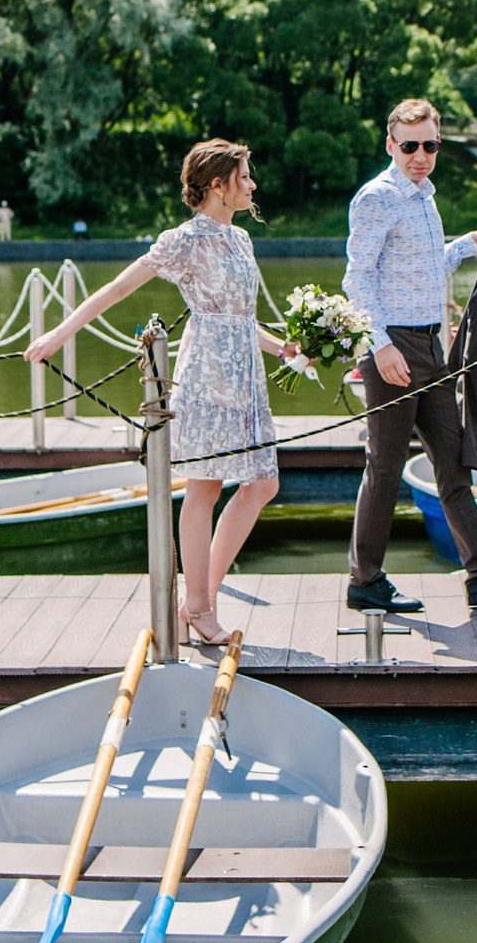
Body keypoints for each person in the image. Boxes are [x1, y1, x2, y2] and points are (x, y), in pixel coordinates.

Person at [26, 141, 299, 646]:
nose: (252, 184)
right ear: (217, 184)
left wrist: (280, 347)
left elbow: (240, 316)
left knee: (261, 484)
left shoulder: (242, 240)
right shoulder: (185, 240)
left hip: (246, 377)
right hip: (207, 374)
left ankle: (197, 601)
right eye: (244, 176)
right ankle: (198, 604)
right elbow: (118, 289)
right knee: (206, 486)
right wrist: (57, 335)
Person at [344, 100, 477, 614]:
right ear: (391, 145)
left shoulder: (424, 197)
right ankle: (364, 580)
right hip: (394, 348)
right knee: (385, 467)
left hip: (431, 347)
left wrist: (462, 246)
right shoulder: (377, 198)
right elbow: (357, 279)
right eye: (409, 146)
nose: (420, 155)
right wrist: (380, 345)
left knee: (453, 462)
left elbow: (425, 266)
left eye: (430, 145)